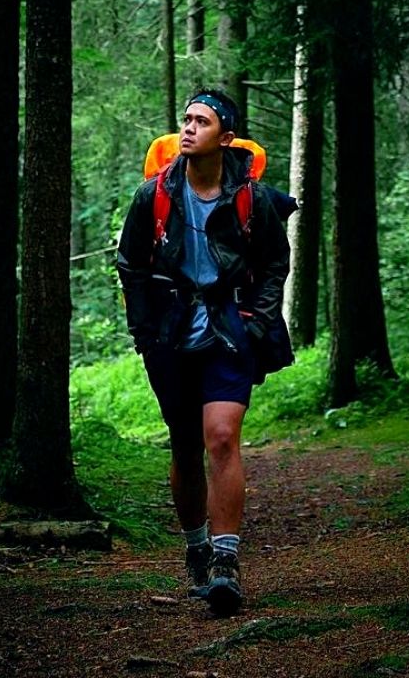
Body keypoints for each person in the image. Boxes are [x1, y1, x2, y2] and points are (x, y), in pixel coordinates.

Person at [116, 88, 291, 615]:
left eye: (202, 121)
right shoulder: (154, 195)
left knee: (221, 438)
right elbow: (130, 263)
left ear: (227, 138)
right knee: (185, 445)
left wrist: (258, 325)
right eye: (186, 120)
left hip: (229, 332)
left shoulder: (252, 199)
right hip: (170, 335)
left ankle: (226, 564)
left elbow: (274, 265)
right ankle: (195, 548)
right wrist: (144, 331)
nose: (189, 128)